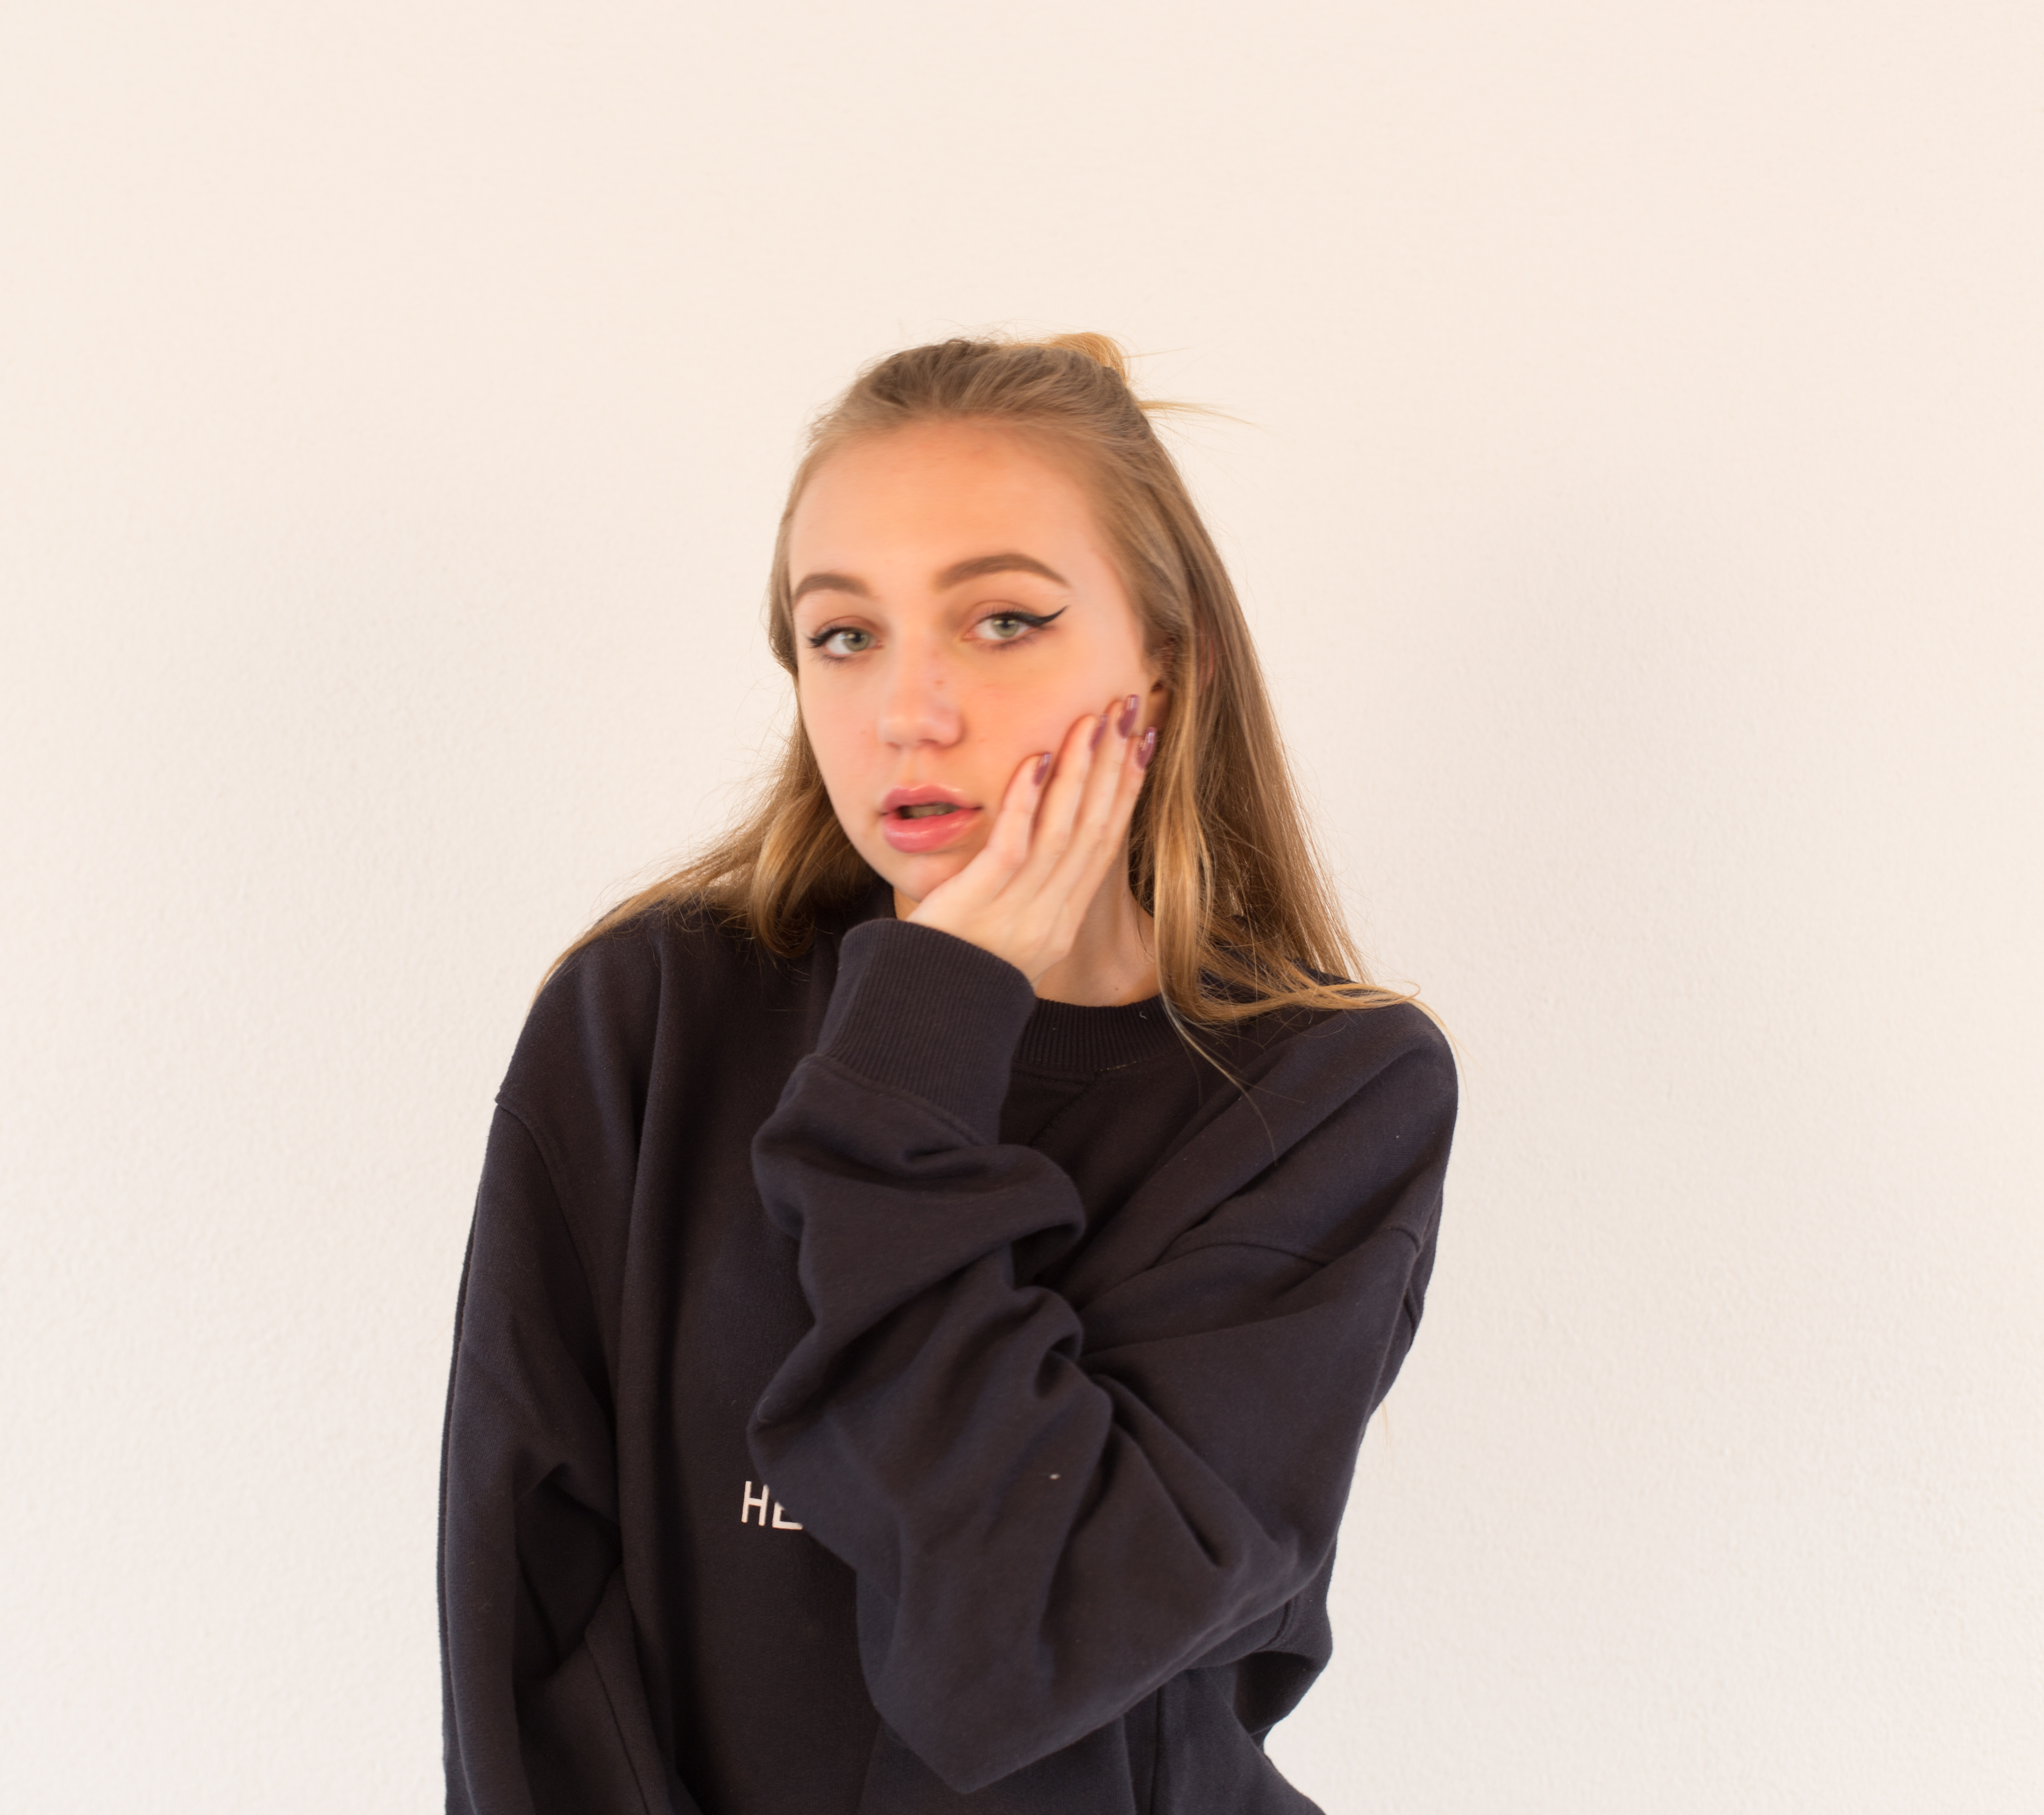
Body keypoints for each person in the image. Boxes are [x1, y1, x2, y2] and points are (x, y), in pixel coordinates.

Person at [438, 334, 1458, 1814]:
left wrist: (918, 1042)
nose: (909, 711)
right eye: (845, 635)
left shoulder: (1326, 1096)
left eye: (1002, 622)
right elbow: (525, 1624)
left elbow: (1019, 1645)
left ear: (1169, 667)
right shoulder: (648, 1018)